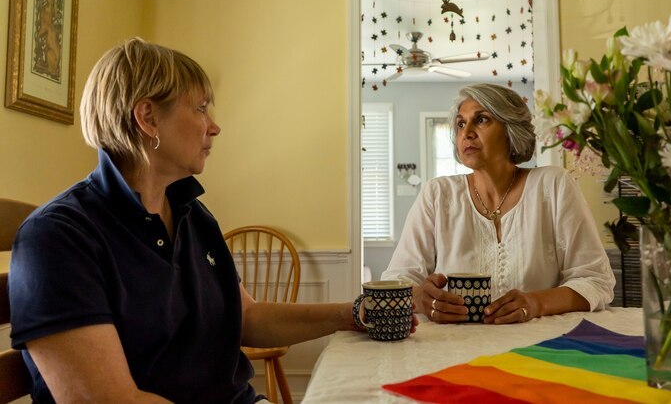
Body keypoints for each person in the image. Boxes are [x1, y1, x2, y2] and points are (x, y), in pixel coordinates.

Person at [9, 38, 415, 404]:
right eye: (201, 108)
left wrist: (355, 313)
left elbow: (246, 319)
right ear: (148, 118)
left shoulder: (190, 213)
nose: (214, 126)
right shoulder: (60, 237)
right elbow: (108, 401)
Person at [381, 83, 615, 324]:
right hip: (449, 347)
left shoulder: (553, 185)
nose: (467, 132)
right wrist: (422, 298)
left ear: (510, 129)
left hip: (542, 347)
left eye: (481, 120)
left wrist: (535, 303)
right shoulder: (437, 194)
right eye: (461, 123)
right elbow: (396, 282)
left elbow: (595, 281)